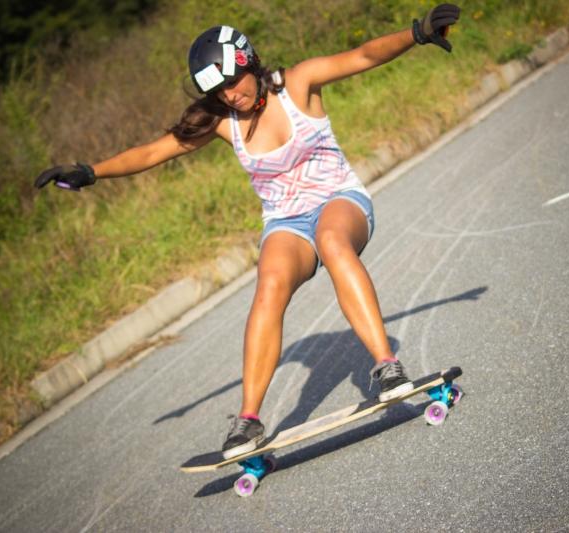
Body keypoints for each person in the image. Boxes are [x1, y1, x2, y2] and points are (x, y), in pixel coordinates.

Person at [34, 4, 461, 459]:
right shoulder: (222, 122)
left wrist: (415, 33)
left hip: (340, 201)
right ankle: (249, 421)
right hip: (286, 222)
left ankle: (387, 367)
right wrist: (89, 171)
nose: (230, 96)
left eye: (232, 82)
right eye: (217, 91)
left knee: (332, 242)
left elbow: (362, 56)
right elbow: (152, 153)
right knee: (269, 283)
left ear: (249, 64)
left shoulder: (298, 83)